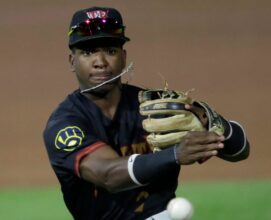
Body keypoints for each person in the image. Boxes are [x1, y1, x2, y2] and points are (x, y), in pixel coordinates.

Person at [43, 6, 250, 220]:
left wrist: (212, 122)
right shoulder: (64, 124)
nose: (100, 62)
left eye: (111, 51)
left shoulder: (157, 106)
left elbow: (241, 151)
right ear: (72, 61)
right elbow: (108, 175)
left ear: (123, 57)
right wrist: (175, 154)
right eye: (88, 52)